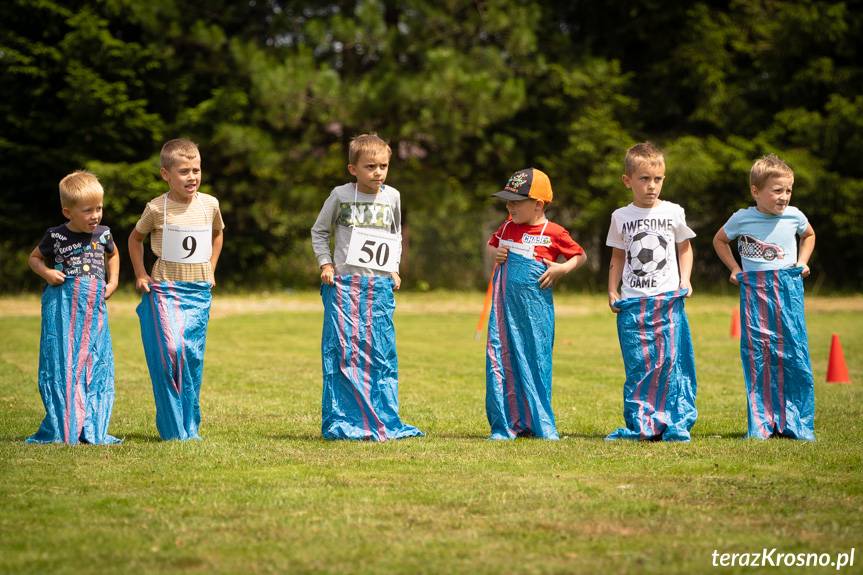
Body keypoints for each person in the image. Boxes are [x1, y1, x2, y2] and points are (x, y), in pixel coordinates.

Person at [311, 133, 423, 441]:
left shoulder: (393, 197)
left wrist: (394, 268)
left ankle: (382, 415)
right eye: (370, 166)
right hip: (345, 285)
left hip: (378, 287)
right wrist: (325, 264)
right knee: (344, 353)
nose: (378, 172)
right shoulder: (340, 195)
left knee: (380, 353)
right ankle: (345, 419)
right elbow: (319, 231)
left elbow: (395, 235)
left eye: (383, 166)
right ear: (353, 169)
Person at [713, 153, 816, 440]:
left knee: (792, 353)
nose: (784, 197)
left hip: (788, 292)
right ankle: (763, 421)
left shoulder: (794, 216)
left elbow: (809, 235)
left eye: (789, 190)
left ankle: (795, 421)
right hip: (755, 294)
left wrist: (803, 262)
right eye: (777, 190)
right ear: (756, 191)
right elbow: (719, 240)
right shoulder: (742, 218)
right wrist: (734, 268)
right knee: (760, 353)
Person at [128, 138, 224, 441]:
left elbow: (218, 234)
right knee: (172, 349)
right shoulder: (156, 208)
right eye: (184, 171)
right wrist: (141, 273)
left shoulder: (210, 204)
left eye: (196, 170)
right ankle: (171, 424)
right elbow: (134, 239)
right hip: (165, 290)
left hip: (198, 292)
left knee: (191, 356)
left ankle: (188, 424)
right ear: (165, 175)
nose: (192, 177)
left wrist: (211, 267)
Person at [606, 142, 698, 442]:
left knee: (669, 362)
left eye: (657, 179)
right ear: (627, 180)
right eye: (644, 179)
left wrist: (685, 280)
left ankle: (671, 418)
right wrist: (612, 290)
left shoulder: (673, 212)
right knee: (640, 364)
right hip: (634, 302)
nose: (651, 186)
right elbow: (618, 256)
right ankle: (642, 420)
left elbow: (684, 248)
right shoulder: (620, 216)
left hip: (667, 301)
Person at [485, 167, 586, 440]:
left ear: (538, 205)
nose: (509, 207)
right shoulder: (506, 227)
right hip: (504, 312)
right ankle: (506, 423)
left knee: (536, 360)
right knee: (502, 360)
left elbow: (580, 255)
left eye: (516, 202)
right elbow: (492, 245)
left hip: (536, 314)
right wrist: (497, 254)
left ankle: (537, 421)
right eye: (507, 201)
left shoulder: (553, 232)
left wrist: (562, 269)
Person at [26, 170, 121, 444]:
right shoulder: (56, 236)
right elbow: (34, 259)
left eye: (99, 208)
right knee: (65, 361)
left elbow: (113, 255)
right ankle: (66, 423)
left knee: (94, 361)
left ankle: (91, 425)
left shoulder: (103, 234)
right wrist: (47, 273)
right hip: (64, 309)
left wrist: (113, 281)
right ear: (68, 212)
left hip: (93, 309)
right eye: (88, 210)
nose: (95, 215)